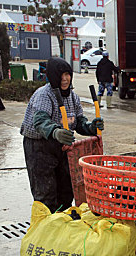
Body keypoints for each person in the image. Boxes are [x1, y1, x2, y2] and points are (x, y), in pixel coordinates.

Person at [20, 57, 104, 213]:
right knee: (46, 193)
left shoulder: (72, 97)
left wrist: (90, 127)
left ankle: (62, 222)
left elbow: (78, 122)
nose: (65, 79)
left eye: (68, 74)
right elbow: (40, 121)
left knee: (66, 189)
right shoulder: (44, 95)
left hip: (62, 146)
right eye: (61, 75)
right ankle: (46, 227)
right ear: (52, 76)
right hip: (39, 147)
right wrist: (55, 131)